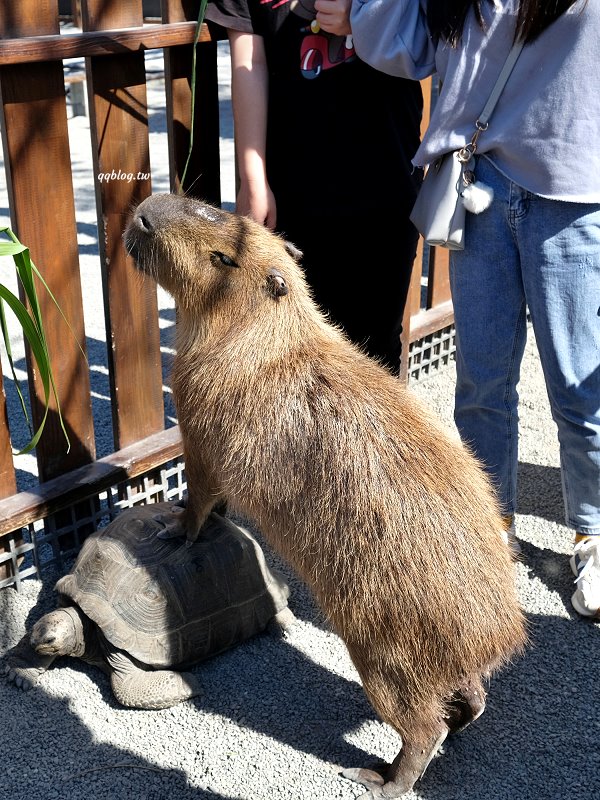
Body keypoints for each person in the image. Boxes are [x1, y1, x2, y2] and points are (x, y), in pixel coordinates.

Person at [336, 0, 600, 619]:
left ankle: (593, 533)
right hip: (477, 182)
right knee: (481, 380)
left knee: (578, 384)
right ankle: (489, 526)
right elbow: (396, 44)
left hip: (573, 187)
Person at [203, 0, 423, 374]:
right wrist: (253, 178)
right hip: (292, 191)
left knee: (376, 345)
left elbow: (427, 30)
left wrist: (364, 19)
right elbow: (249, 61)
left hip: (386, 176)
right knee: (290, 348)